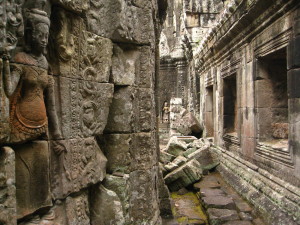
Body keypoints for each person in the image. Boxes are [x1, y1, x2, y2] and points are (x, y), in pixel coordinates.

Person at [1, 9, 64, 153]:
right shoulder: (21, 58)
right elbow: (9, 90)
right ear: (30, 35)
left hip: (42, 125)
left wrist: (58, 136)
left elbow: (52, 105)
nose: (43, 40)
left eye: (46, 36)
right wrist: (5, 64)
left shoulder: (45, 64)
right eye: (40, 35)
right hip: (21, 123)